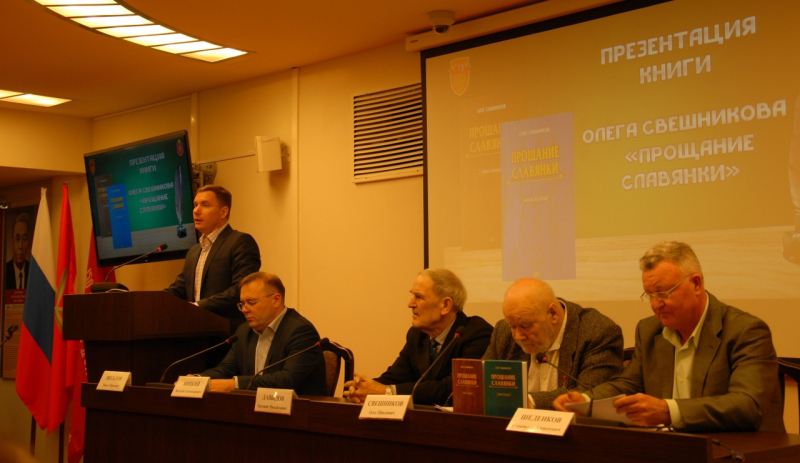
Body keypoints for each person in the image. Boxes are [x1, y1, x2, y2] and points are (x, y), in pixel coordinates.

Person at [554, 241, 785, 432]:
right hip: (672, 447)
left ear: (696, 284)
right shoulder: (649, 330)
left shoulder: (746, 330)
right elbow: (629, 384)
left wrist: (669, 411)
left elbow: (748, 405)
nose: (656, 304)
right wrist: (585, 400)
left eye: (664, 293)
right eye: (650, 295)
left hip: (738, 449)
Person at [344, 268, 492, 406]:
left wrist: (386, 392)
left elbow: (454, 388)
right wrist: (363, 388)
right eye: (412, 295)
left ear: (445, 305)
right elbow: (396, 377)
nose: (410, 304)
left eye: (419, 297)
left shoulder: (477, 334)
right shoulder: (417, 335)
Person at [483, 278, 623, 410]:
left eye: (526, 326)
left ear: (553, 313)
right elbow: (483, 387)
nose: (518, 336)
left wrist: (526, 401)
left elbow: (587, 394)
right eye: (512, 326)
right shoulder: (503, 332)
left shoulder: (598, 332)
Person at [200, 272, 327, 395]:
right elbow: (226, 369)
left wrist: (234, 384)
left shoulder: (301, 331)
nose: (244, 310)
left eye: (251, 302)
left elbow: (288, 379)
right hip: (253, 406)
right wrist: (197, 380)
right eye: (242, 304)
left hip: (298, 407)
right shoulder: (244, 331)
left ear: (276, 300)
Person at [164, 185, 261, 335]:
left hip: (227, 333)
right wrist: (150, 300)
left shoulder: (240, 242)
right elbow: (180, 289)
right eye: (195, 205)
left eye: (205, 205)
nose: (196, 211)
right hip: (196, 333)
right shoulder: (194, 251)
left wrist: (198, 306)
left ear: (223, 212)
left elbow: (241, 289)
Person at [5, 213, 31, 290]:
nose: (20, 246)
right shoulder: (4, 272)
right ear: (12, 241)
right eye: (17, 239)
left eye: (24, 239)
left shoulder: (33, 272)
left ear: (28, 242)